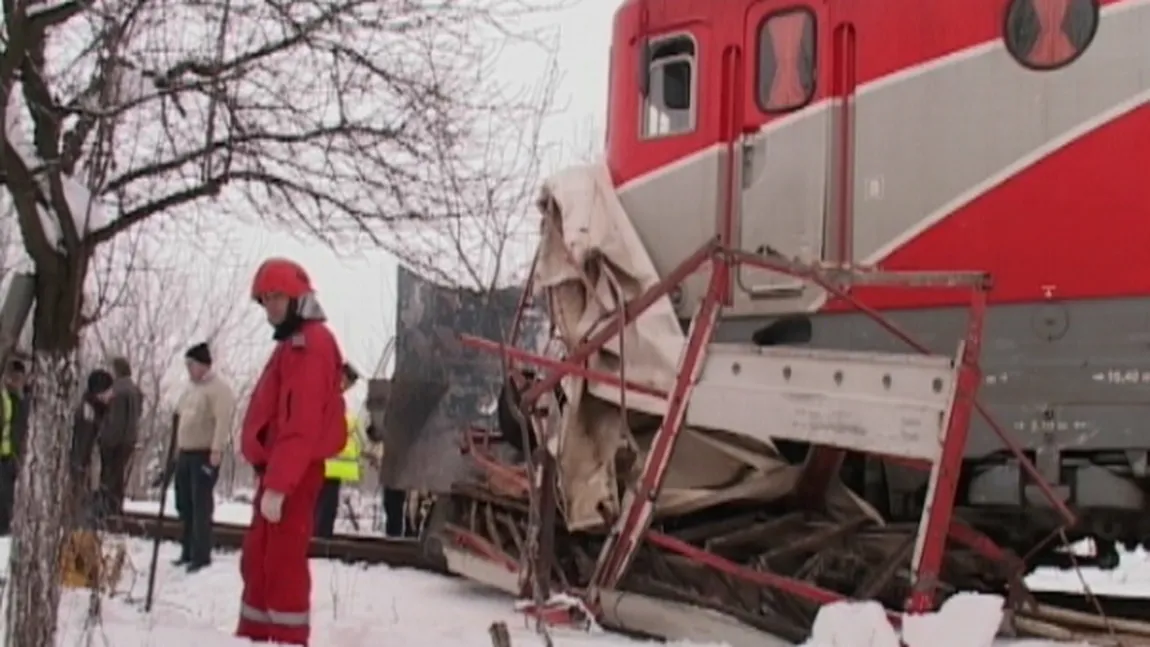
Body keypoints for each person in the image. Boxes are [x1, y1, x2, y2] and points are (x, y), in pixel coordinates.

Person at [237, 258, 346, 646]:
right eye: (265, 300)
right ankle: (260, 634)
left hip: (293, 473)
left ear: (298, 296)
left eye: (277, 297)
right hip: (281, 471)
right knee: (261, 557)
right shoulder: (295, 343)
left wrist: (280, 485)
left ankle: (284, 638)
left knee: (281, 561)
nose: (270, 307)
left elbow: (300, 423)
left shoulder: (309, 345)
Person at [173, 342, 237, 572]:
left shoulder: (218, 390)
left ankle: (201, 554)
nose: (189, 369)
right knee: (184, 502)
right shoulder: (191, 388)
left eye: (191, 364)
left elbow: (222, 421)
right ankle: (187, 549)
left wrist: (216, 449)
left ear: (202, 365)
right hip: (186, 451)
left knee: (200, 504)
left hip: (204, 453)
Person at [313, 363, 363, 539]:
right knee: (325, 504)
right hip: (326, 463)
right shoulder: (329, 397)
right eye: (348, 383)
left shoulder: (330, 396)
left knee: (324, 504)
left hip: (329, 464)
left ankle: (319, 537)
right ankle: (320, 539)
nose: (348, 388)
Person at [97, 356, 143, 515]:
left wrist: (104, 437)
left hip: (113, 439)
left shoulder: (115, 390)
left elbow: (114, 419)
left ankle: (105, 509)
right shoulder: (136, 391)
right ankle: (116, 508)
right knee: (118, 475)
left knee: (108, 475)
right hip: (129, 440)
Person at [69, 369, 114, 521]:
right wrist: (80, 467)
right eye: (109, 390)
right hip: (82, 466)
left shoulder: (98, 410)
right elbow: (82, 441)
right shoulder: (88, 412)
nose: (111, 394)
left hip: (88, 465)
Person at [0, 360, 29, 535]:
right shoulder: (6, 398)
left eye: (20, 378)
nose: (17, 381)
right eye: (14, 377)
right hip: (5, 457)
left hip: (10, 457)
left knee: (6, 501)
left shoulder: (21, 400)